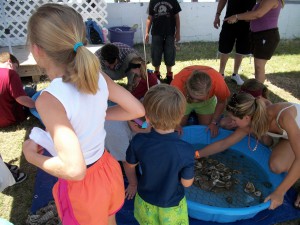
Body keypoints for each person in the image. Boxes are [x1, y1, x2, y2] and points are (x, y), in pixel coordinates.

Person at [22, 3, 145, 225]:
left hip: (83, 187)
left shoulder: (49, 100)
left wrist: (32, 157)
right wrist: (97, 113)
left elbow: (75, 170)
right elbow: (137, 110)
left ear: (36, 50)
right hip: (107, 170)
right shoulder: (97, 75)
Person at [195, 92, 300, 210]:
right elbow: (224, 144)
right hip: (292, 135)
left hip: (293, 130)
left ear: (246, 117)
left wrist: (279, 192)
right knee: (276, 166)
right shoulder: (250, 121)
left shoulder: (283, 117)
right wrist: (196, 154)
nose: (231, 122)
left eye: (233, 119)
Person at [125, 84, 194, 224]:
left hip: (145, 201)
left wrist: (133, 184)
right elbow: (186, 184)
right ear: (181, 116)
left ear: (147, 117)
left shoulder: (138, 141)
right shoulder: (186, 150)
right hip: (172, 207)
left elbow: (129, 165)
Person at [224, 0, 284, 83]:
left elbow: (258, 14)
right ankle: (258, 90)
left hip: (266, 36)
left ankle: (258, 94)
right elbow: (255, 15)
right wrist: (245, 17)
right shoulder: (262, 1)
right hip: (258, 35)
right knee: (258, 66)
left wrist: (236, 16)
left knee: (259, 67)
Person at [171, 65, 231, 137]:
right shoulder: (177, 83)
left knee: (206, 128)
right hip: (183, 100)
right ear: (186, 87)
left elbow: (222, 102)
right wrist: (175, 123)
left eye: (199, 99)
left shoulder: (218, 81)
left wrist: (214, 122)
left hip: (206, 102)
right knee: (177, 128)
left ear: (209, 91)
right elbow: (170, 104)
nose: (195, 101)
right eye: (192, 97)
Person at [214, 0, 256, 86]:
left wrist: (253, 15)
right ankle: (221, 73)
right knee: (225, 48)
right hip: (229, 20)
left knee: (242, 49)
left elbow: (261, 3)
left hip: (247, 23)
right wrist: (217, 15)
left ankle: (235, 74)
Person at [145, 0, 181, 84]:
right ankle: (156, 75)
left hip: (170, 33)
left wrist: (178, 32)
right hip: (156, 33)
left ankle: (169, 76)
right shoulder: (153, 1)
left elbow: (177, 17)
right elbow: (150, 17)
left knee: (170, 53)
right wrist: (146, 32)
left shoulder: (173, 1)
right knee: (156, 54)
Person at [0, 52, 36, 128]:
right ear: (9, 62)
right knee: (30, 91)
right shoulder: (11, 73)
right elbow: (21, 99)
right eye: (16, 67)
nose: (16, 71)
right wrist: (38, 105)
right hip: (9, 119)